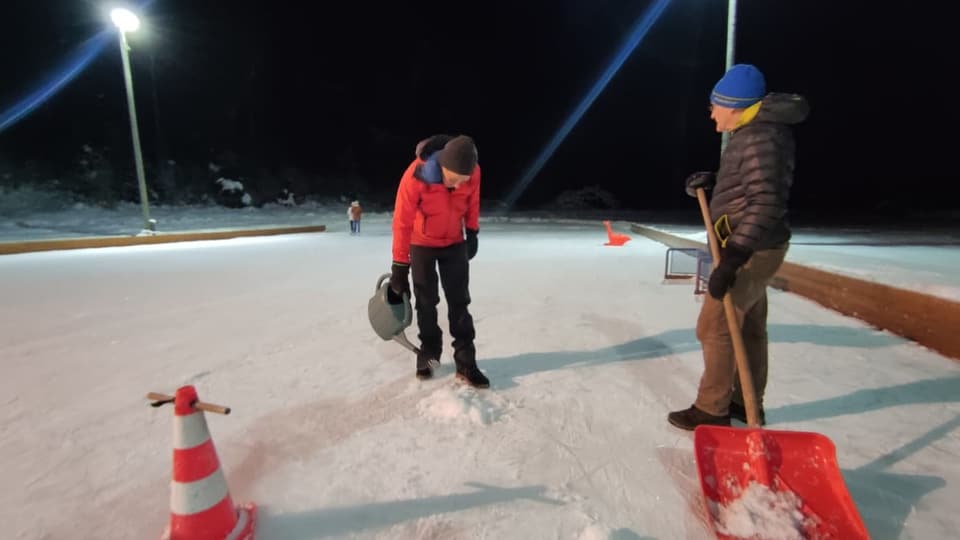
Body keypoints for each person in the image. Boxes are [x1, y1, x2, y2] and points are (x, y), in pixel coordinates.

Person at [668, 64, 810, 430]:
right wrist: (716, 182)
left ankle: (712, 409)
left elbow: (766, 201)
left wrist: (732, 259)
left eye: (714, 105)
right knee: (747, 328)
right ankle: (744, 403)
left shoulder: (760, 137)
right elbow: (752, 185)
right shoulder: (757, 132)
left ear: (733, 105)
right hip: (759, 244)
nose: (711, 113)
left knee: (714, 326)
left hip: (751, 248)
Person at [388, 134, 489, 388]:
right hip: (421, 244)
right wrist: (400, 266)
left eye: (463, 180)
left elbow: (473, 202)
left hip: (454, 242)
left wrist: (473, 231)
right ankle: (429, 354)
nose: (457, 184)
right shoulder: (416, 175)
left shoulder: (473, 172)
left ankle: (466, 363)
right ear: (442, 165)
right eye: (453, 178)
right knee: (426, 301)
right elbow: (402, 222)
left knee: (459, 302)